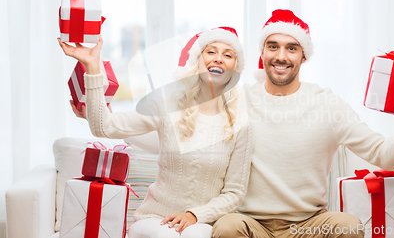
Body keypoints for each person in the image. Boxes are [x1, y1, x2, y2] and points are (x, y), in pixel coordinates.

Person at [212, 9, 394, 238]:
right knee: (227, 227)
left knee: (349, 226)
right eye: (273, 46)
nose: (281, 56)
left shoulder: (327, 105)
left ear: (304, 56)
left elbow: (387, 157)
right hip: (250, 223)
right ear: (263, 52)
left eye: (291, 48)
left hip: (308, 225)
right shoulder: (238, 101)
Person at [58, 26, 253, 238]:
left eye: (228, 55)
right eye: (211, 51)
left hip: (201, 222)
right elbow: (105, 126)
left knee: (194, 236)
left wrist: (194, 215)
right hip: (154, 220)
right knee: (166, 235)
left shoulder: (241, 124)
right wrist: (92, 66)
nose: (218, 59)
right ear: (197, 60)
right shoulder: (167, 105)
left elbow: (234, 193)